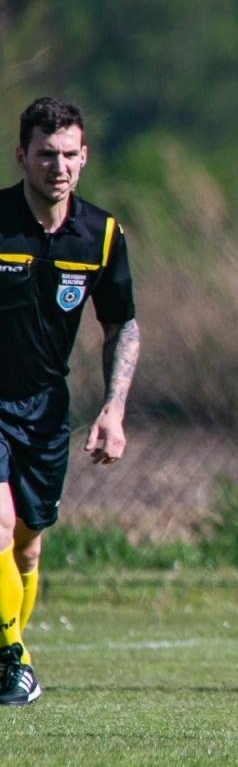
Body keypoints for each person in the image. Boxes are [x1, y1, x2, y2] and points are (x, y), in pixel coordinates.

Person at [0, 97, 139, 706]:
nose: (58, 166)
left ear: (84, 160)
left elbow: (122, 325)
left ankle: (11, 653)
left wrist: (114, 407)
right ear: (22, 156)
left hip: (46, 408)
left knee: (28, 544)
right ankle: (12, 656)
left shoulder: (101, 233)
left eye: (69, 155)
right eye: (46, 154)